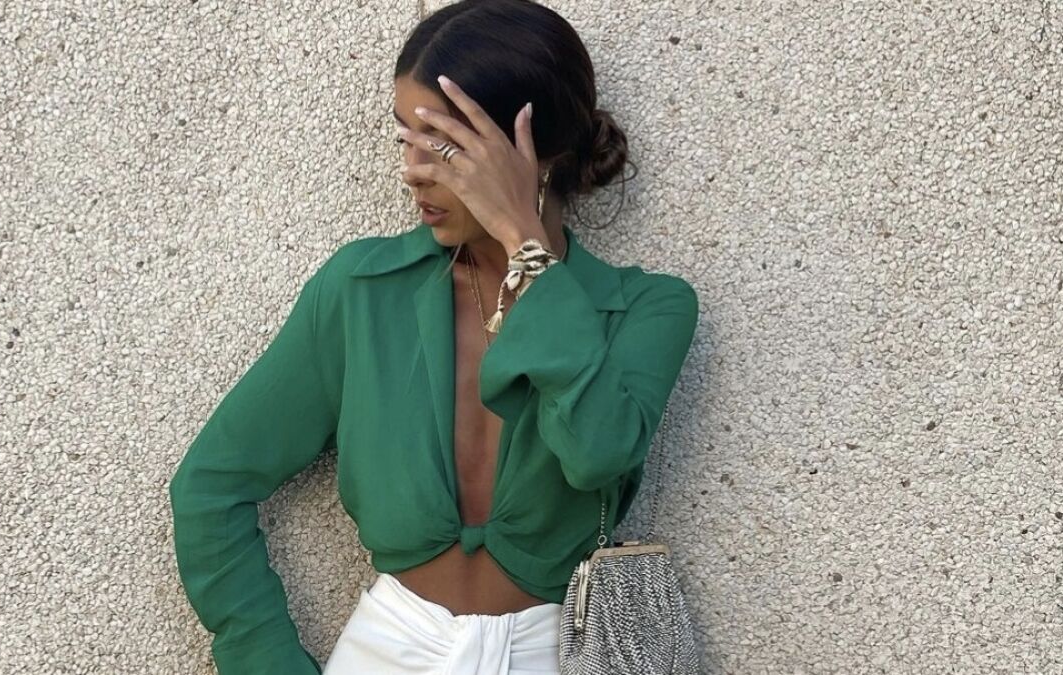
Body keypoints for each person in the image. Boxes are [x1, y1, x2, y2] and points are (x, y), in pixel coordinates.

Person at [168, 1, 700, 673]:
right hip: (386, 649)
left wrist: (524, 244)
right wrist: (263, 658)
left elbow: (596, 454)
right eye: (406, 140)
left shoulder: (647, 309)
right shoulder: (362, 290)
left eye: (445, 145)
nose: (414, 171)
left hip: (555, 654)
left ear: (533, 152)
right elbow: (210, 486)